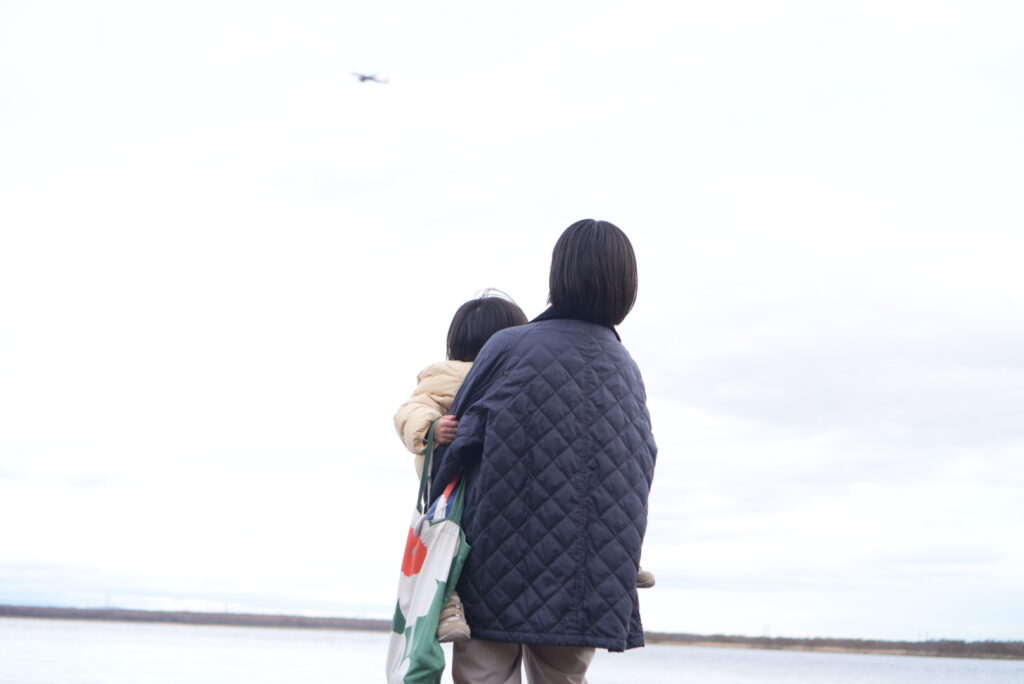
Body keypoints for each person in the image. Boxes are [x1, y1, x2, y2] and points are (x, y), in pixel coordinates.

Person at [430, 219, 658, 683]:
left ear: (559, 275)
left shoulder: (509, 346)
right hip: (589, 570)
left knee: (484, 676)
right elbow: (642, 462)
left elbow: (461, 442)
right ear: (626, 286)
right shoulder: (625, 367)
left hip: (494, 562)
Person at [394, 293, 529, 641]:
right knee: (447, 543)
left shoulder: (516, 376)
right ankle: (447, 608)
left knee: (450, 548)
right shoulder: (446, 378)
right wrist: (431, 428)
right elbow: (410, 410)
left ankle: (450, 606)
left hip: (469, 488)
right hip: (450, 486)